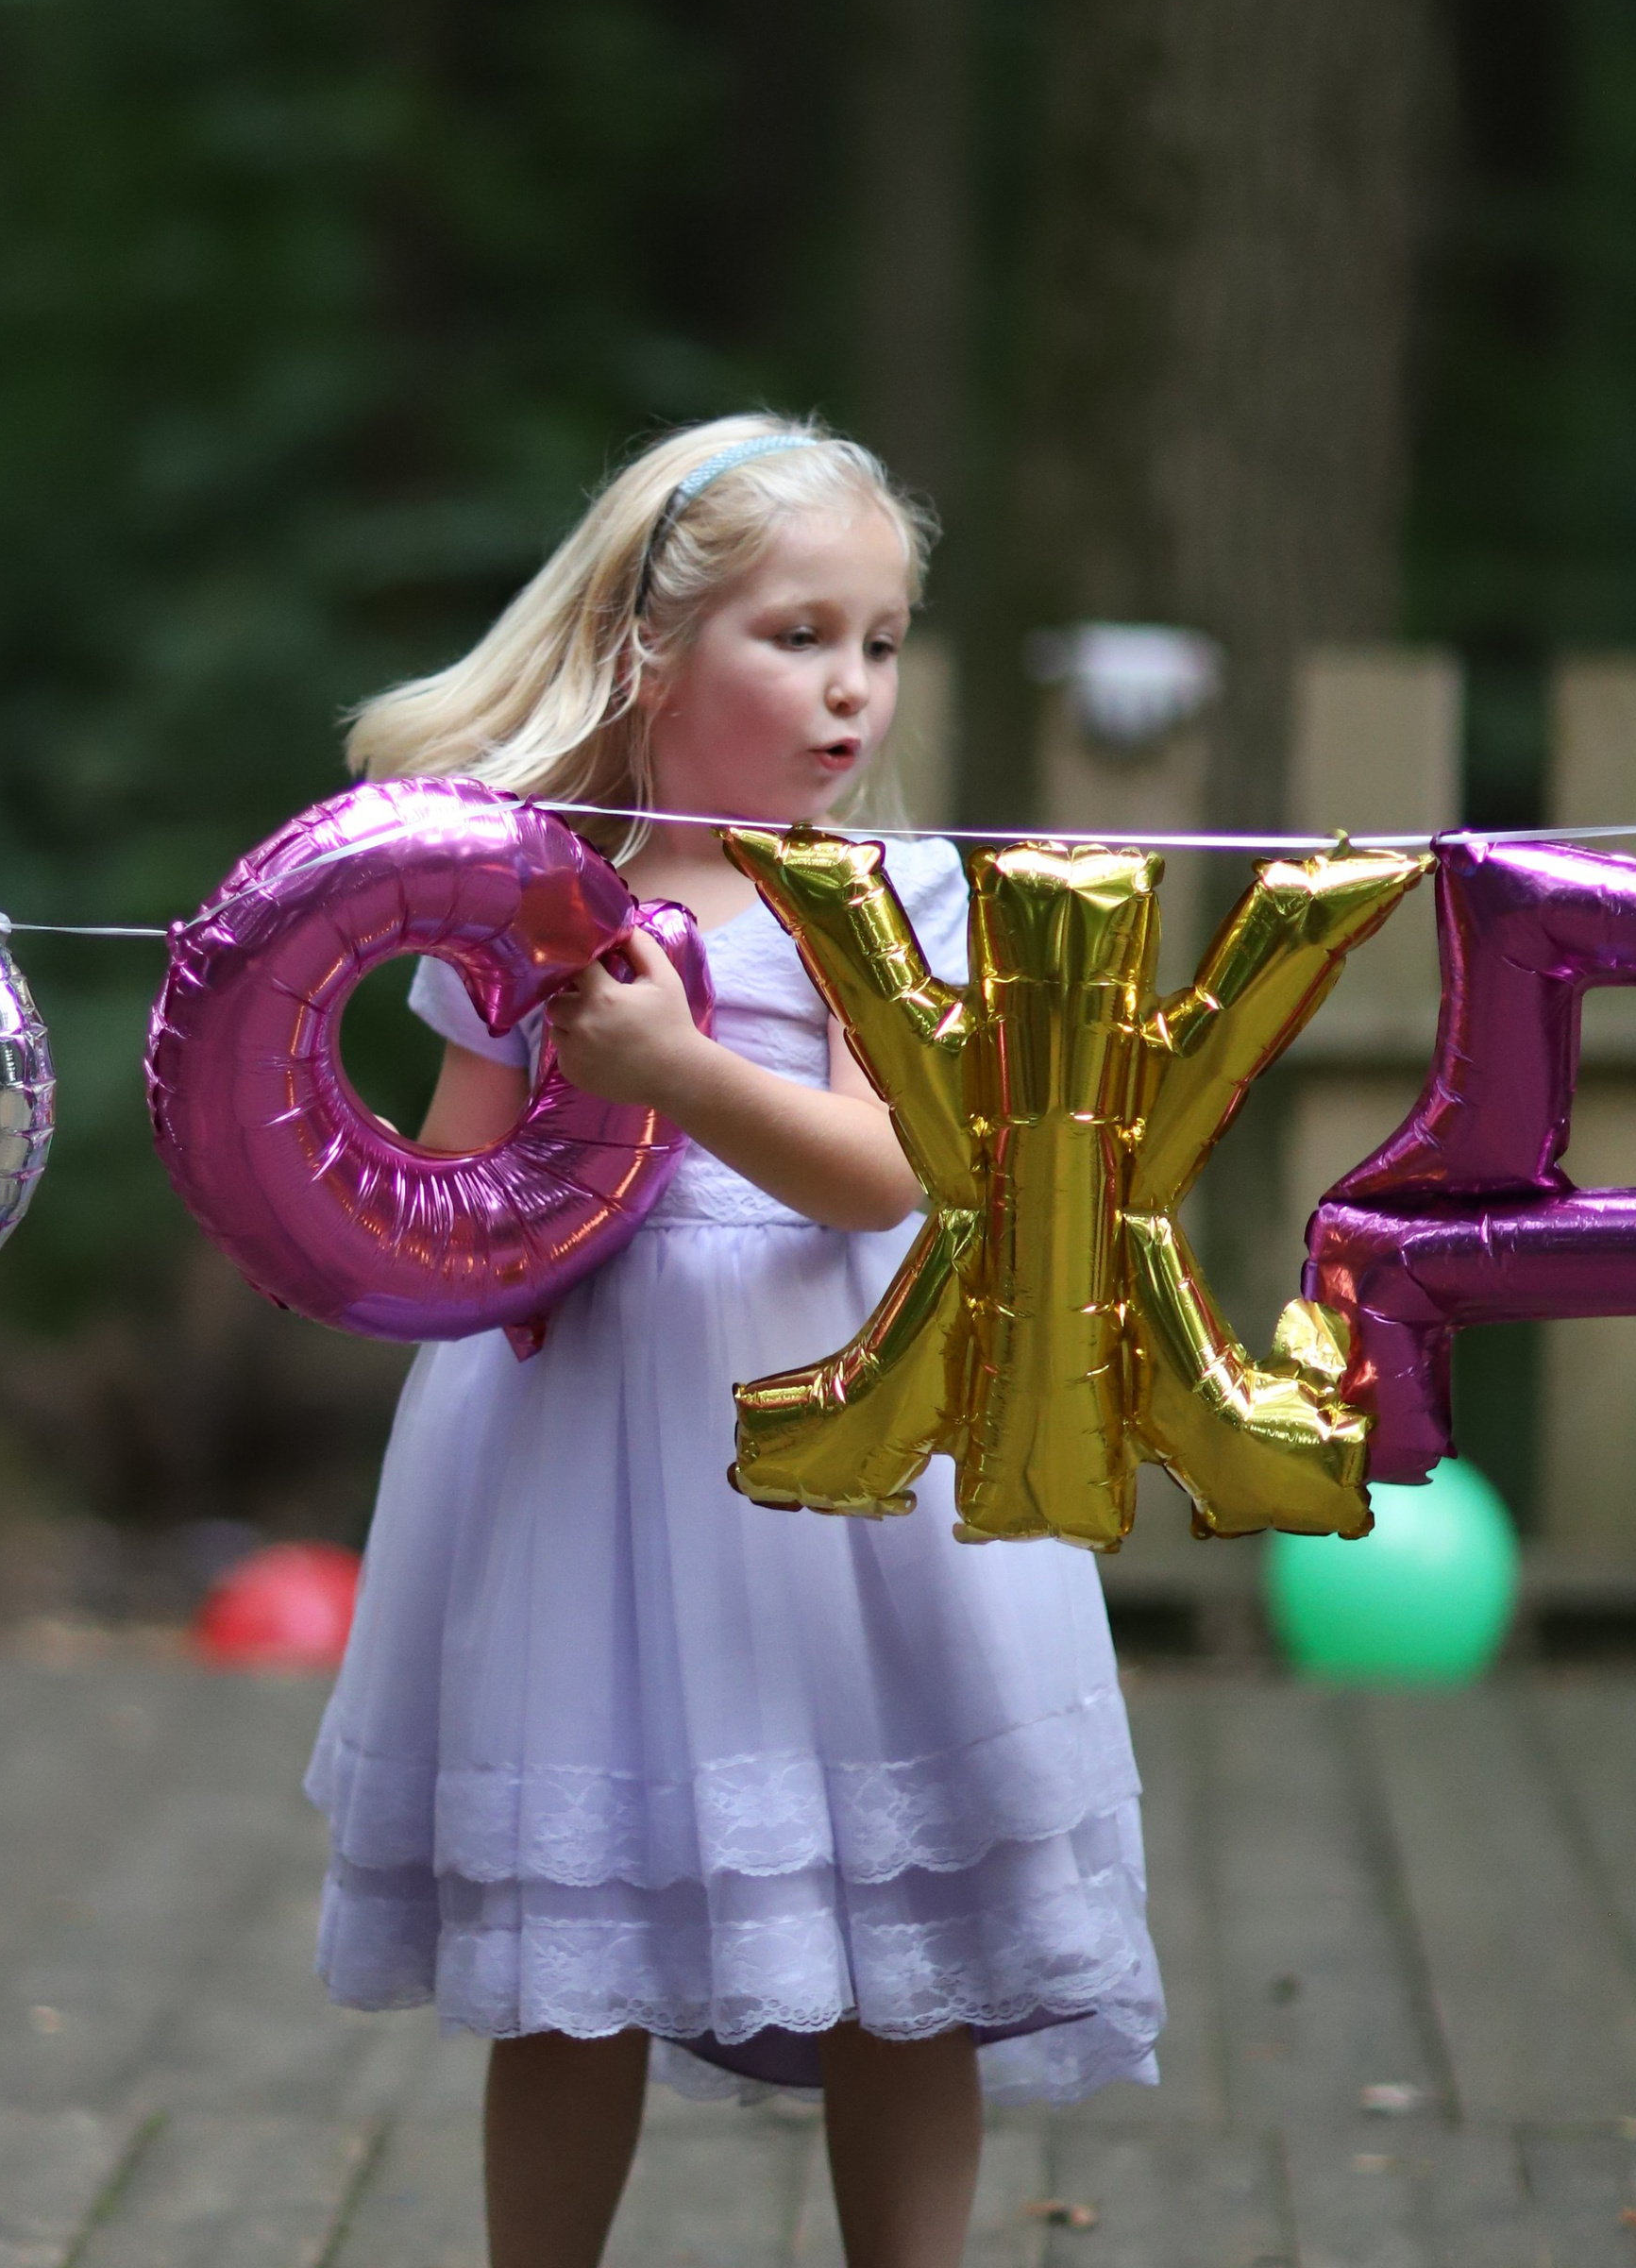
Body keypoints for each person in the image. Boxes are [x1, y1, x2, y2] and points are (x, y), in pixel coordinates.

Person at [310, 416, 1162, 2268]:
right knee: (567, 1946)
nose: (850, 687)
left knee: (890, 1926)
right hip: (580, 1444)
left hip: (828, 1446)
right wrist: (478, 1201)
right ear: (647, 649)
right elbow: (447, 1178)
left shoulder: (880, 893)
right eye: (797, 635)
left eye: (878, 637)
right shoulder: (522, 888)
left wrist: (678, 1075)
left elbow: (880, 1172)